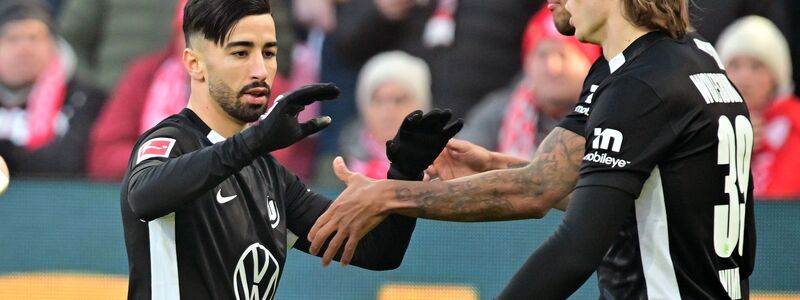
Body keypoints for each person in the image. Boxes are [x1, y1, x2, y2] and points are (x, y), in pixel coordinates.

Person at [308, 0, 756, 298]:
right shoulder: (691, 58)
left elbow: (551, 213)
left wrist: (386, 195)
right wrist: (494, 168)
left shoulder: (640, 83)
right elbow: (592, 190)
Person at [120, 0, 461, 299]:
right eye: (240, 52)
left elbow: (378, 252)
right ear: (194, 64)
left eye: (268, 52)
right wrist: (254, 142)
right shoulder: (170, 141)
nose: (260, 70)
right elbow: (145, 197)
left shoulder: (269, 175)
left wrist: (404, 175)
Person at [457, 6, 599, 157]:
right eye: (542, 55)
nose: (552, 67)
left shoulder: (606, 113)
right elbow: (460, 156)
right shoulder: (500, 112)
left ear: (589, 63)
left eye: (563, 55)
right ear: (527, 63)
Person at [0, 0, 105, 177]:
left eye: (34, 38)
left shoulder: (85, 98)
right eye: (12, 38)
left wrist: (7, 154)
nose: (24, 49)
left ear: (53, 44)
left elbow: (67, 162)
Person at [716, 15, 800, 199]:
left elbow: (783, 202)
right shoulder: (708, 124)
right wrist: (729, 149)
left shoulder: (794, 122)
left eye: (756, 66)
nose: (744, 77)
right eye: (735, 66)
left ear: (776, 76)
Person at [339, 51, 432, 179]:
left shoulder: (444, 168)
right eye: (378, 100)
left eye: (399, 100)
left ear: (421, 105)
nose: (388, 112)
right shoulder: (338, 166)